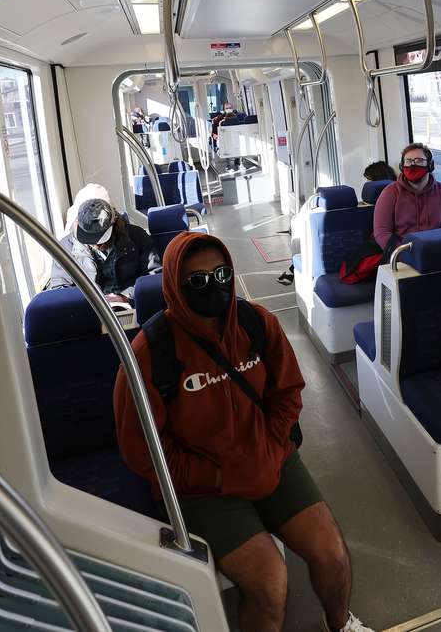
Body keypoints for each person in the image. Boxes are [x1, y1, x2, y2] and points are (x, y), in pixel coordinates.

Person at [114, 233, 371, 632]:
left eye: (220, 274)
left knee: (332, 554)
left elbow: (288, 392)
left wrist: (269, 447)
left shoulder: (256, 324)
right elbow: (142, 451)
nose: (213, 286)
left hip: (270, 459)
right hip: (205, 486)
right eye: (197, 281)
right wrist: (214, 475)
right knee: (271, 583)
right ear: (175, 287)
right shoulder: (151, 353)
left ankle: (340, 624)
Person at [46, 197, 160, 303]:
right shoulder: (65, 248)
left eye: (101, 238)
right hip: (89, 307)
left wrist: (126, 296)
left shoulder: (136, 236)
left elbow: (154, 275)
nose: (95, 244)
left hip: (132, 302)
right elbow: (59, 288)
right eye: (89, 238)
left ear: (115, 223)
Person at [372, 143, 441, 250]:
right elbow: (382, 233)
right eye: (408, 161)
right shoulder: (390, 193)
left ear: (430, 165)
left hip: (437, 253)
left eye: (419, 160)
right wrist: (407, 255)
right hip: (402, 255)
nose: (412, 165)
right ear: (402, 166)